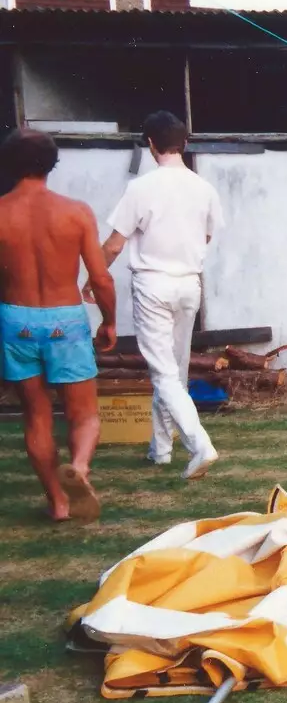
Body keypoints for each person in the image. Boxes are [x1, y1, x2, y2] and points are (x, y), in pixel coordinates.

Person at [95, 111, 223, 479]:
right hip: (189, 283)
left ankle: (200, 445)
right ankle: (161, 449)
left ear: (151, 144)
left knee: (164, 374)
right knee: (174, 373)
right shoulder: (204, 188)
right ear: (183, 143)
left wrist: (93, 277)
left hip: (153, 284)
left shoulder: (141, 187)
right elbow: (208, 238)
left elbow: (115, 245)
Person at [0, 129, 117, 521]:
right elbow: (101, 278)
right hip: (64, 318)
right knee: (83, 412)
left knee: (36, 414)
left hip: (16, 318)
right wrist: (109, 321)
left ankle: (59, 502)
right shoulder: (76, 211)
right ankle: (80, 467)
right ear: (52, 165)